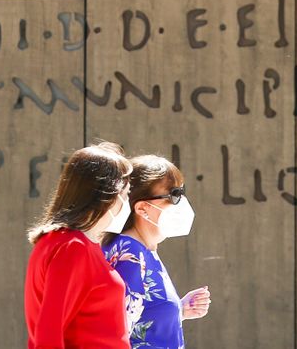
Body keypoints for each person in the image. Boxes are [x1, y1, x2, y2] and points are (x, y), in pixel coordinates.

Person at [25, 142, 136, 349]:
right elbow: (48, 335)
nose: (127, 203)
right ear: (108, 194)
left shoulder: (70, 243)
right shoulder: (72, 247)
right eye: (126, 194)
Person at [102, 155, 210, 349]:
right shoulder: (130, 255)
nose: (181, 202)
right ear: (143, 208)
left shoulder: (143, 250)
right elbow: (116, 334)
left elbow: (139, 319)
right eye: (174, 194)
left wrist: (179, 310)